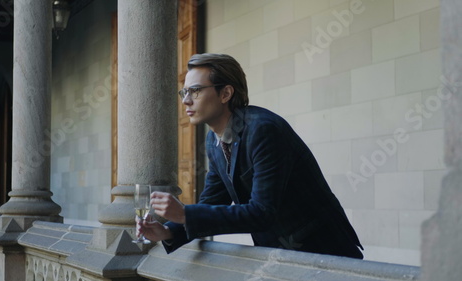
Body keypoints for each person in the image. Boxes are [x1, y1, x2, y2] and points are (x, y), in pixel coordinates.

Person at [138, 53, 364, 259]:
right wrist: (168, 231)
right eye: (184, 92)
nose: (186, 100)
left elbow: (262, 212)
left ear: (225, 93)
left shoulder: (264, 130)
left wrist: (185, 213)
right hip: (276, 255)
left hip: (322, 253)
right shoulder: (213, 140)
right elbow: (213, 201)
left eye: (195, 90)